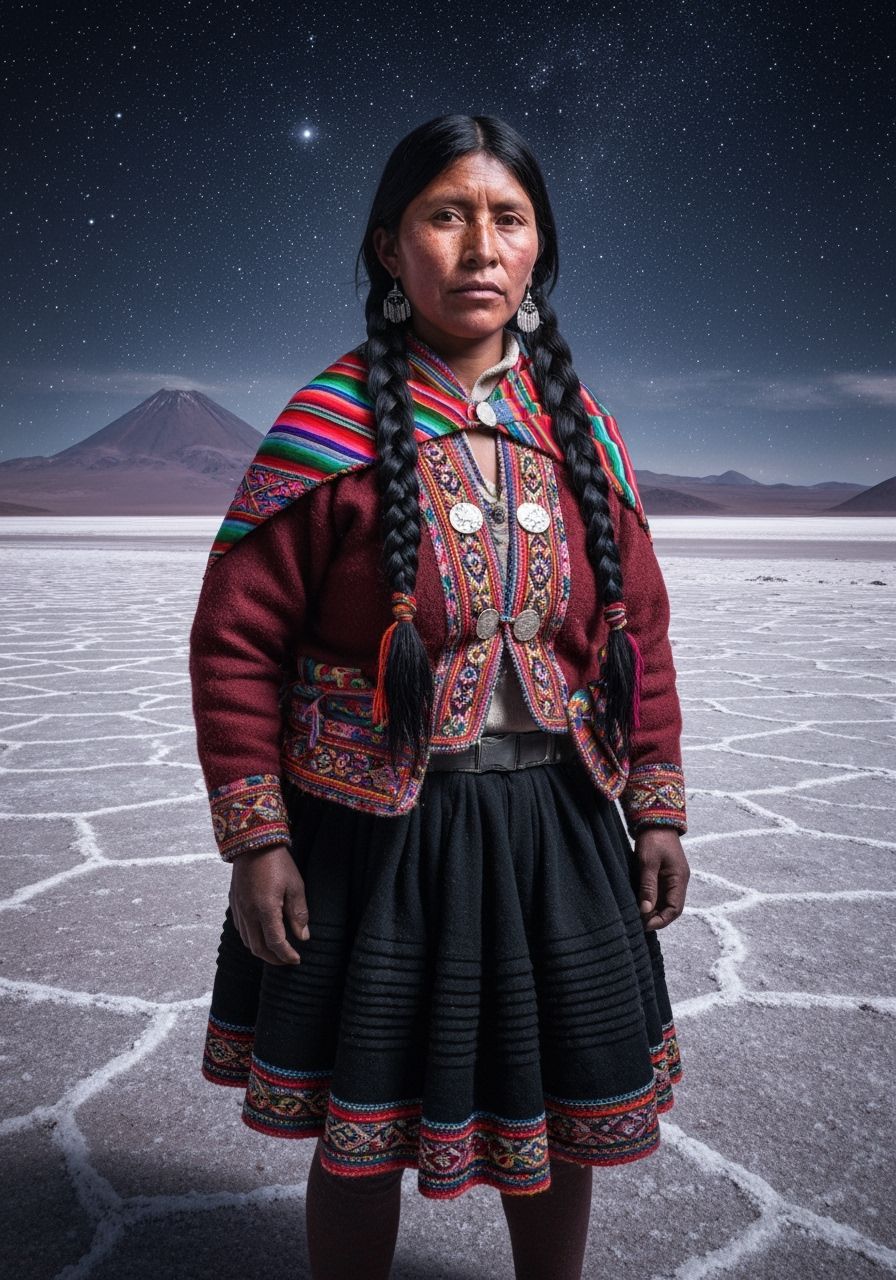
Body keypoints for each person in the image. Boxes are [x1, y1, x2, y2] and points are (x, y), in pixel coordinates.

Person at [189, 113, 690, 1280]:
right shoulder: (324, 432)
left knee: (563, 1114)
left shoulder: (581, 437)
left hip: (554, 826)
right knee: (356, 1126)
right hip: (370, 833)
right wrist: (256, 839)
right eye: (444, 215)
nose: (477, 246)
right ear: (387, 247)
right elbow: (234, 644)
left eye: (506, 219)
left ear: (536, 253)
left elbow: (639, 642)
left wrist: (656, 808)